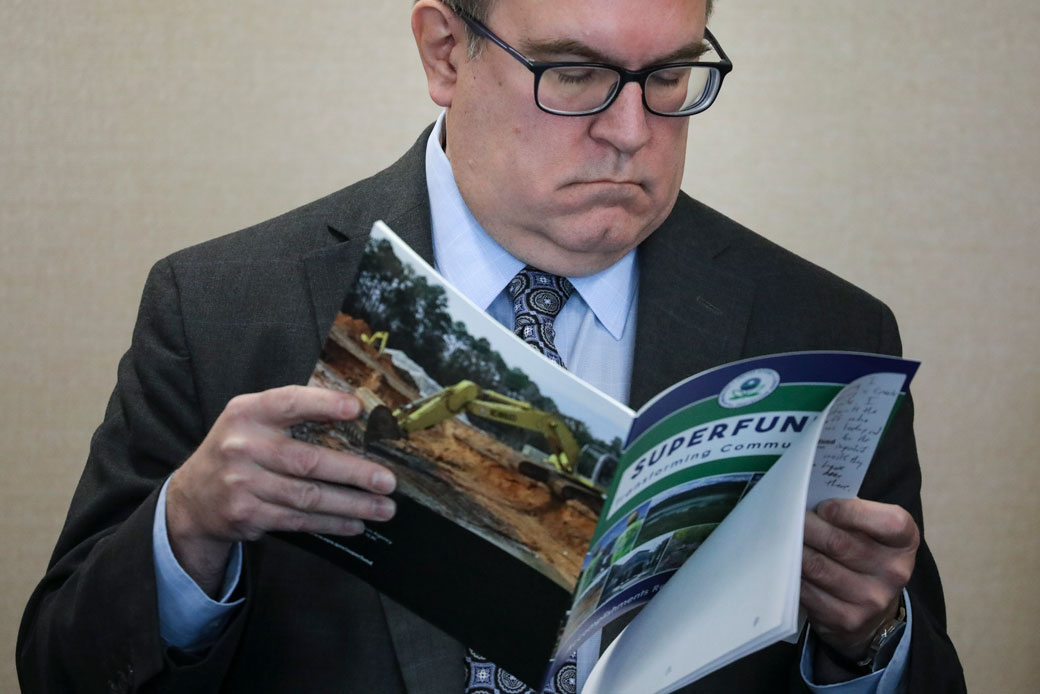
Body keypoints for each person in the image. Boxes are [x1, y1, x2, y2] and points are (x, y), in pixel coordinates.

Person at [17, 1, 966, 692]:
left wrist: (869, 641)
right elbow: (59, 666)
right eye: (576, 74)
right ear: (444, 53)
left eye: (669, 76)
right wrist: (188, 526)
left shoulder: (826, 331)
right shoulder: (222, 305)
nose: (630, 131)